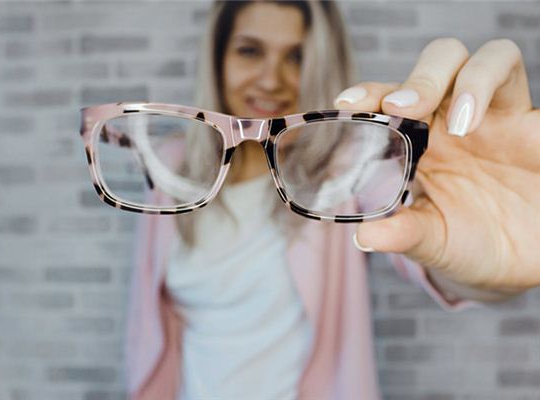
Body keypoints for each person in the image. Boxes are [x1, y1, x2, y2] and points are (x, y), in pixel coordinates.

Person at [124, 1, 540, 399]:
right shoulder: (170, 165)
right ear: (216, 60)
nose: (271, 80)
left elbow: (427, 241)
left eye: (297, 57)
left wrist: (496, 261)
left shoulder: (349, 164)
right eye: (250, 51)